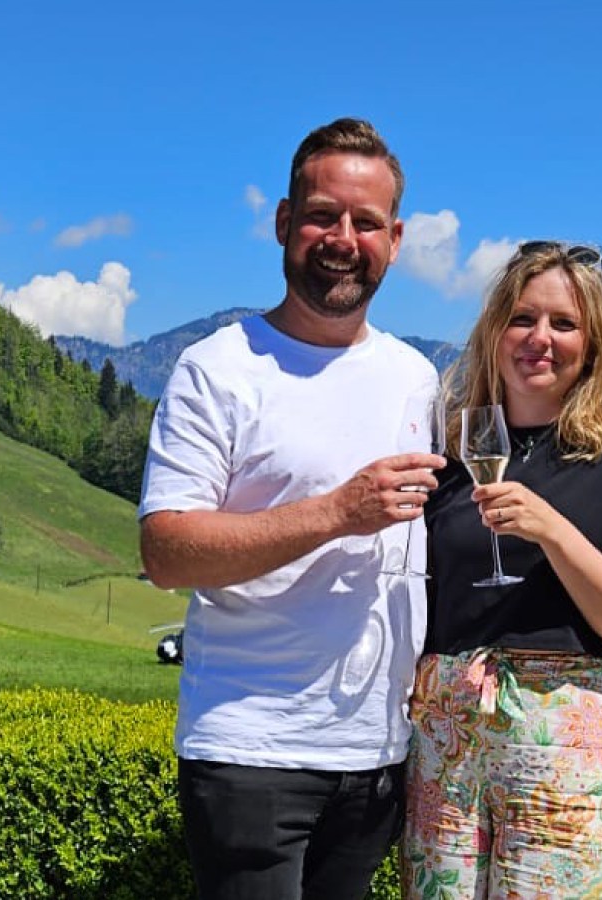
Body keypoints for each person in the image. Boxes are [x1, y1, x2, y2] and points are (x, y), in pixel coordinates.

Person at [139, 117, 447, 900]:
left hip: (377, 755)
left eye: (366, 222)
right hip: (253, 752)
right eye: (322, 215)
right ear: (284, 222)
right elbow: (166, 553)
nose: (342, 238)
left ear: (396, 238)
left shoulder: (418, 377)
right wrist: (339, 510)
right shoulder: (217, 370)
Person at [401, 241, 602, 899]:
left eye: (564, 323)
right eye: (523, 318)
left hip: (571, 750)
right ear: (495, 330)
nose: (540, 338)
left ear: (593, 344)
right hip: (448, 740)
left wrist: (553, 531)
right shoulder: (445, 450)